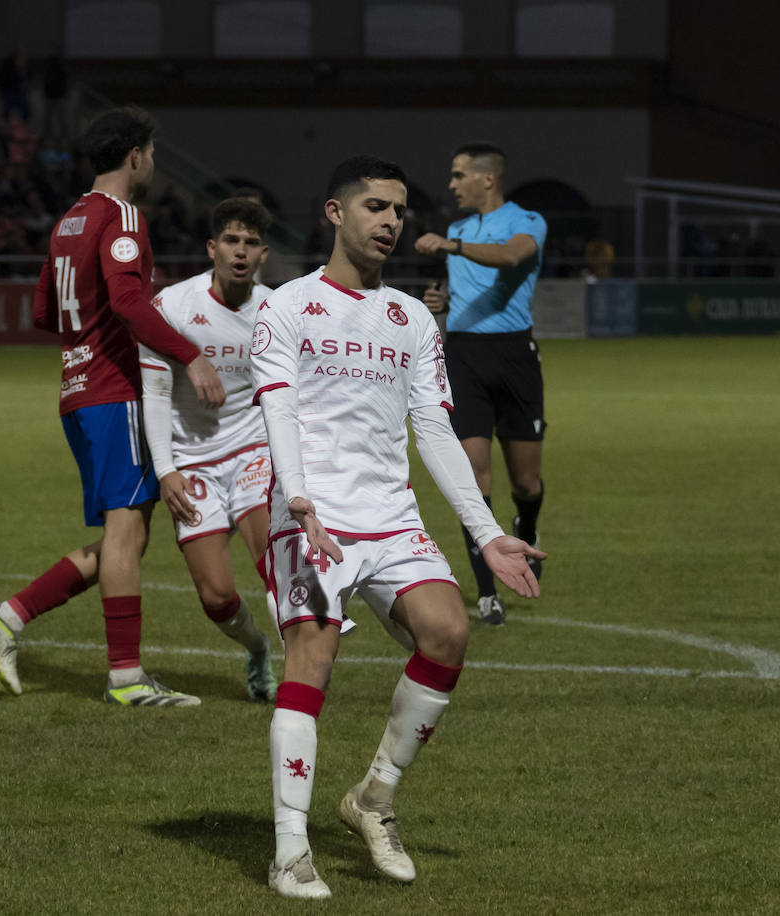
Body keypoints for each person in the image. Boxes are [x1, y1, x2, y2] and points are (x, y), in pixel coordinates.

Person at [254, 155, 543, 899]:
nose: (390, 222)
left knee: (448, 632)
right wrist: (297, 500)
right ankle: (290, 850)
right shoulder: (286, 306)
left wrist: (484, 535)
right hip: (310, 512)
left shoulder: (410, 318)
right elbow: (279, 409)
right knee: (310, 660)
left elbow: (436, 432)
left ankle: (373, 799)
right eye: (375, 207)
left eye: (398, 211)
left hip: (389, 516)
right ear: (334, 213)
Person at [0, 107, 225, 707]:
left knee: (125, 539)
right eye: (153, 153)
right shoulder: (122, 215)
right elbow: (129, 302)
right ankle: (127, 678)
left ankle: (9, 616)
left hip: (76, 391)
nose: (155, 165)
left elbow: (41, 310)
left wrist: (83, 336)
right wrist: (191, 356)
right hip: (114, 391)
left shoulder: (70, 220)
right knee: (127, 532)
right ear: (135, 155)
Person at [138, 197, 354, 703]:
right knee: (215, 596)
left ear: (263, 254)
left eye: (251, 243)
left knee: (270, 554)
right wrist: (166, 470)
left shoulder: (276, 310)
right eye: (231, 241)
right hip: (192, 462)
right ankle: (257, 647)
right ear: (212, 247)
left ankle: (313, 649)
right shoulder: (172, 306)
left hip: (253, 450)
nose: (240, 251)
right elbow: (154, 391)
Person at [414, 142, 548, 626]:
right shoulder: (459, 228)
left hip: (514, 356)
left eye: (458, 175)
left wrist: (451, 246)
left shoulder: (526, 220)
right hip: (464, 356)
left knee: (526, 482)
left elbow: (513, 257)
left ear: (487, 179)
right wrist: (440, 300)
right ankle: (488, 590)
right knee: (473, 473)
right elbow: (461, 284)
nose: (451, 185)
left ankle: (527, 524)